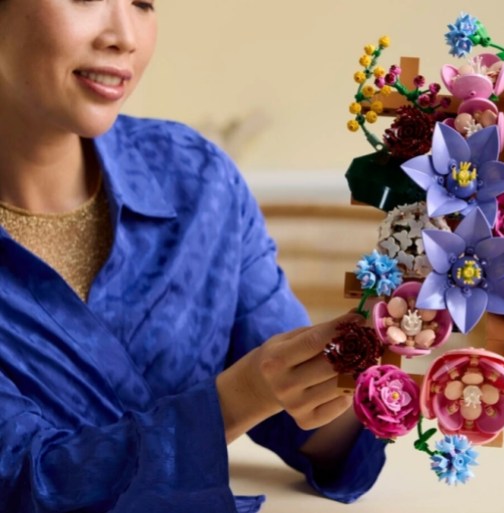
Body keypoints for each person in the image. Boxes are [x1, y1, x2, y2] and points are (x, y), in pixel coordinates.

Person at [0, 1, 386, 511]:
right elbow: (24, 480)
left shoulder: (198, 181)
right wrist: (238, 399)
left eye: (142, 4)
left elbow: (302, 416)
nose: (124, 36)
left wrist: (389, 334)